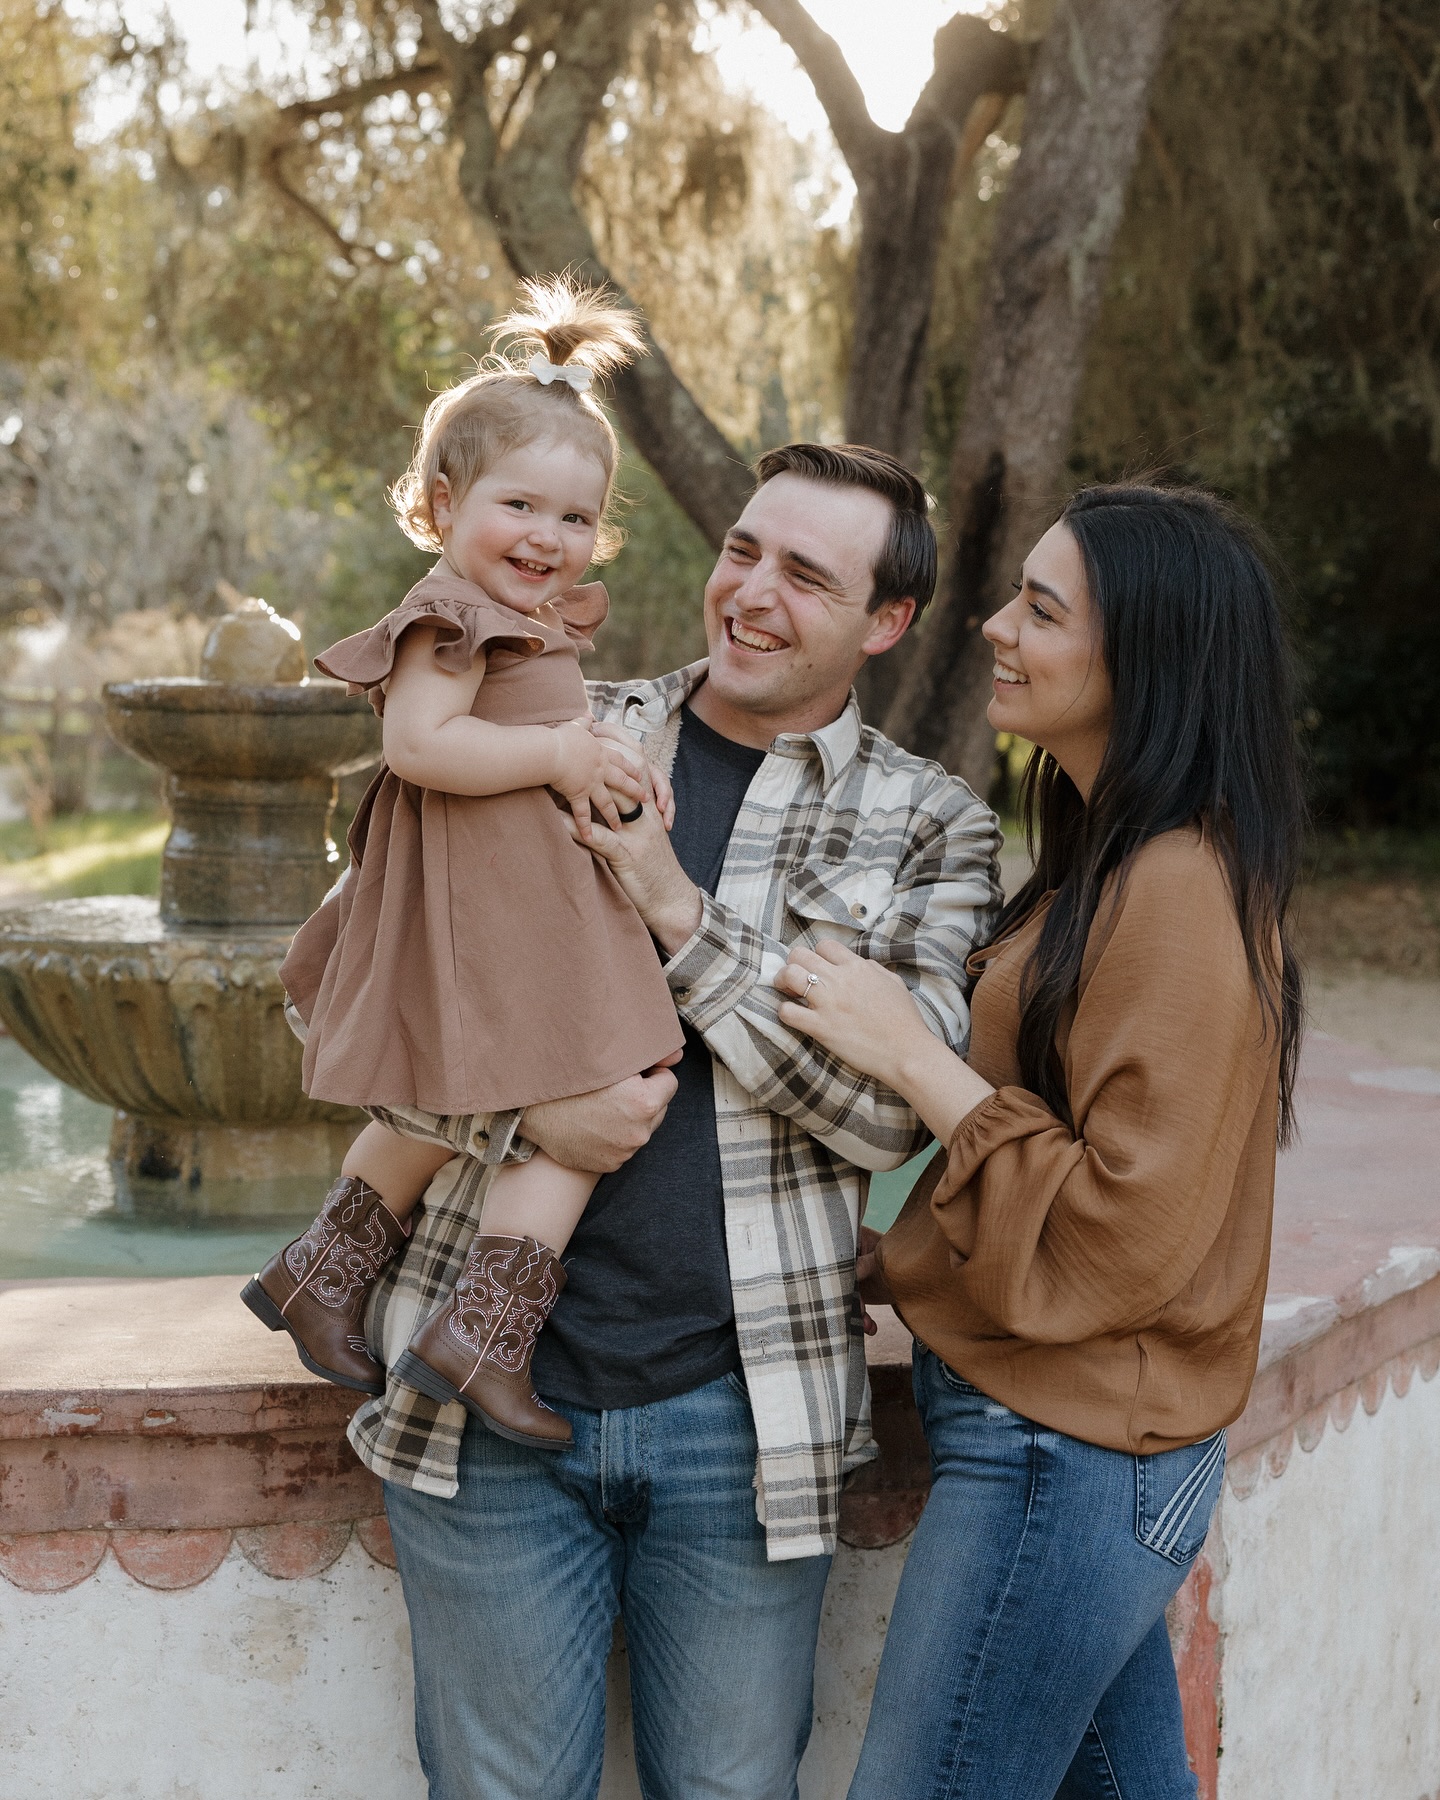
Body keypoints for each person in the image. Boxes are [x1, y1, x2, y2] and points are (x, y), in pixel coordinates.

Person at [353, 440, 1003, 1799]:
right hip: (481, 1398)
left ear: (885, 622)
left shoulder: (932, 826)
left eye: (806, 576)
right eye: (742, 551)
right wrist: (535, 1115)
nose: (751, 593)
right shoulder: (555, 724)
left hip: (747, 1415)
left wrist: (675, 910)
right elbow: (375, 994)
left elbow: (885, 1119)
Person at [776, 481, 1306, 1800]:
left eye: (1042, 610)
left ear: (1144, 664)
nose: (996, 627)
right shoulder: (1108, 860)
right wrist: (900, 1252)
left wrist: (906, 1048)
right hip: (1063, 1433)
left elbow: (1124, 1231)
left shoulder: (1177, 886)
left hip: (1067, 1451)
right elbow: (1065, 1134)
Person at [244, 278, 686, 1448]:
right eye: (519, 504)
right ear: (444, 502)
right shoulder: (447, 615)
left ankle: (374, 1291)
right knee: (584, 1071)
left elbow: (544, 734)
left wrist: (605, 760)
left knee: (558, 1078)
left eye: (576, 517)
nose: (548, 537)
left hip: (523, 893)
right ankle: (449, 1324)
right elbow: (419, 745)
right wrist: (557, 752)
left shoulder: (517, 616)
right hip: (477, 898)